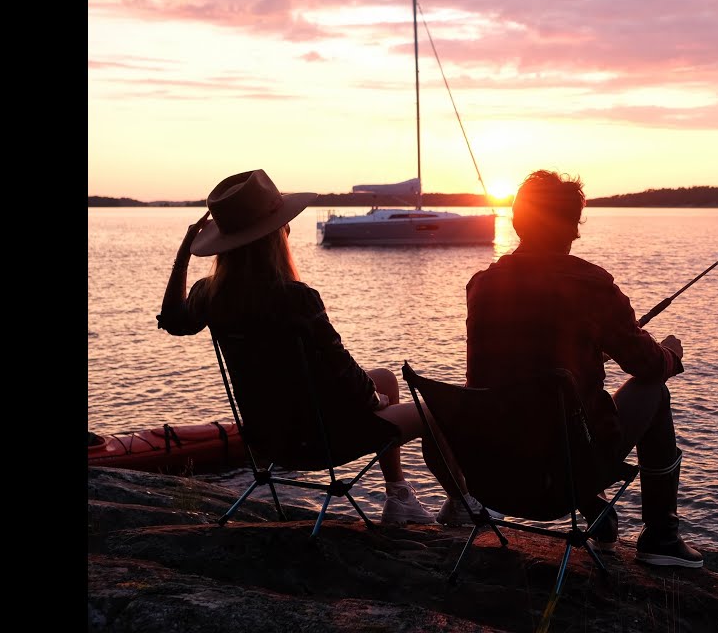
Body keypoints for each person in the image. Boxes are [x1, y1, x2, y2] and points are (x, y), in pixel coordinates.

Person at [157, 169, 487, 527]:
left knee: (386, 379)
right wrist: (373, 403)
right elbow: (340, 369)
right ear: (274, 236)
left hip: (268, 440)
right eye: (283, 225)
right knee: (433, 413)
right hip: (320, 442)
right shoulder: (296, 299)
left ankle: (399, 497)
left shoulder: (210, 295)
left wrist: (184, 254)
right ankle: (462, 508)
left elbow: (173, 320)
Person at [464, 169, 703, 568]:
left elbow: (522, 362)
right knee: (654, 392)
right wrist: (670, 356)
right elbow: (645, 364)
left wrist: (586, 354)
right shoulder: (591, 285)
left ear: (518, 220)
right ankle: (661, 536)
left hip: (494, 472)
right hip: (564, 476)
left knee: (547, 412)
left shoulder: (483, 285)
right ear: (573, 227)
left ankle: (598, 514)